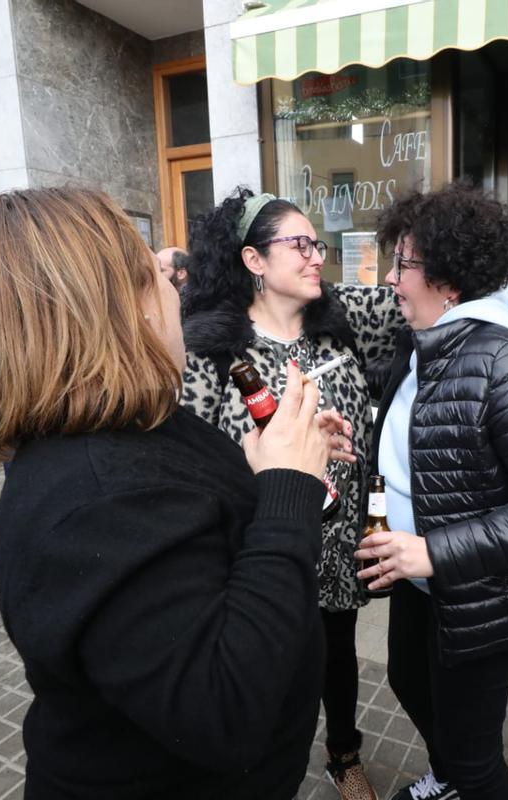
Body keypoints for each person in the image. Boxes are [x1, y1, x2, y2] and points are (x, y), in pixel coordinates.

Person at [0, 187, 349, 799]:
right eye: (155, 274)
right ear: (113, 311)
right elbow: (225, 708)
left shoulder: (130, 428)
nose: (175, 290)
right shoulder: (94, 500)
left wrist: (266, 466)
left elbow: (197, 528)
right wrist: (289, 489)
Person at [357, 183, 508, 800]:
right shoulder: (426, 338)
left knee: (476, 761)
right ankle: (447, 775)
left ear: (450, 278)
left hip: (481, 596)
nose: (389, 278)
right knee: (409, 682)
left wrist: (434, 552)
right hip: (420, 584)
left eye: (403, 264)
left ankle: (457, 778)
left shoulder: (501, 360)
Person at [181, 188, 398, 800]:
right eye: (299, 245)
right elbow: (192, 463)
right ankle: (260, 762)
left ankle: (344, 755)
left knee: (338, 653)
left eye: (316, 245)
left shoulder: (344, 320)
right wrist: (272, 461)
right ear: (254, 261)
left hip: (339, 534)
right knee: (268, 654)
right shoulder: (212, 350)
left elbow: (428, 294)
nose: (314, 258)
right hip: (260, 541)